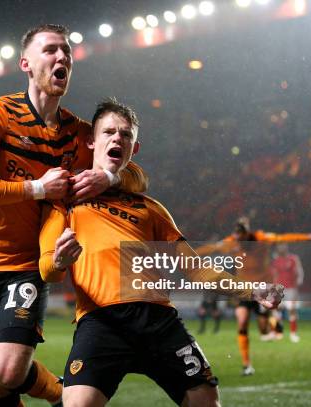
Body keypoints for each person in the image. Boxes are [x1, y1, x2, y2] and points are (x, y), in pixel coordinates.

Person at [38, 98, 283, 407]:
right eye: (109, 132)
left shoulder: (151, 209)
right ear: (91, 140)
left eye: (126, 135)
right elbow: (47, 268)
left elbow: (195, 268)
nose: (118, 139)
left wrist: (250, 289)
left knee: (207, 402)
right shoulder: (66, 199)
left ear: (134, 149)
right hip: (102, 321)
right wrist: (60, 261)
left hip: (158, 321)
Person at [0, 24, 146, 407]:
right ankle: (59, 393)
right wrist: (38, 187)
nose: (62, 58)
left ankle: (65, 397)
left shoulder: (78, 133)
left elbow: (133, 170)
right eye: (51, 50)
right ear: (25, 63)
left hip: (28, 266)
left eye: (67, 52)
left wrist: (109, 175)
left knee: (8, 372)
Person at [196, 217, 311, 375]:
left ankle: (274, 321)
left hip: (262, 288)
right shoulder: (231, 242)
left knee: (264, 329)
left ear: (247, 234)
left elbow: (283, 237)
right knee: (242, 322)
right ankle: (247, 365)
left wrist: (309, 237)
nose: (239, 241)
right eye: (237, 237)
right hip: (243, 290)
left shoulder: (261, 238)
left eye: (242, 237)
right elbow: (212, 248)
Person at [269, 243, 304, 342]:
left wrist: (298, 285)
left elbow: (300, 272)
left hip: (290, 289)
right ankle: (276, 333)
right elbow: (273, 275)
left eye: (283, 246)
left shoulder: (293, 258)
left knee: (292, 310)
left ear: (287, 247)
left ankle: (293, 334)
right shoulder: (275, 261)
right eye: (279, 246)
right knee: (275, 311)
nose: (281, 248)